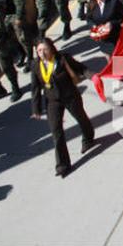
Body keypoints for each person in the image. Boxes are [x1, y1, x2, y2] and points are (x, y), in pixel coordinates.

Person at [30, 37, 95, 177]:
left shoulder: (62, 59)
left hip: (70, 95)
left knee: (81, 118)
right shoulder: (35, 65)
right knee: (56, 132)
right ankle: (62, 166)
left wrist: (93, 76)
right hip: (52, 101)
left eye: (44, 49)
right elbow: (35, 88)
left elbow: (81, 68)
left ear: (51, 48)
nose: (42, 53)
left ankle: (88, 138)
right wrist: (36, 109)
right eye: (39, 50)